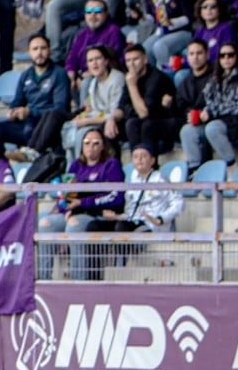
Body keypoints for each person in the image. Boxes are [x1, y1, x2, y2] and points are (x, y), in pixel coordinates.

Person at [38, 128, 123, 281]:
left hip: (98, 214)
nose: (91, 147)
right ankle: (44, 279)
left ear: (103, 146)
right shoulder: (76, 166)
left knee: (74, 225)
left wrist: (83, 203)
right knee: (45, 223)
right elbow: (66, 195)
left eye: (96, 143)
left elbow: (115, 197)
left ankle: (79, 280)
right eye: (87, 143)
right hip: (75, 211)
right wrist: (65, 210)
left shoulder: (111, 165)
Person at [0, 34, 70, 158]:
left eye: (43, 48)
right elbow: (17, 101)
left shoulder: (59, 74)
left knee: (35, 126)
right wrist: (13, 111)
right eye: (35, 49)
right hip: (27, 123)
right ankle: (2, 166)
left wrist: (30, 112)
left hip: (48, 124)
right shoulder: (26, 75)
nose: (39, 52)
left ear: (49, 50)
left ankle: (31, 155)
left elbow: (60, 108)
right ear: (29, 52)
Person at [187, 43, 238, 167]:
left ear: (237, 56)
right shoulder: (215, 79)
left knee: (212, 128)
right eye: (222, 56)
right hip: (220, 123)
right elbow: (209, 101)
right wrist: (204, 113)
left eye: (230, 55)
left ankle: (230, 163)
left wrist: (213, 111)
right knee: (187, 130)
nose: (226, 59)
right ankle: (195, 168)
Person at [106, 44, 179, 158]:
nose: (132, 64)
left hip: (166, 122)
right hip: (143, 121)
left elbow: (144, 113)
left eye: (136, 59)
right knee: (112, 127)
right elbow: (122, 106)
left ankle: (150, 166)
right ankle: (118, 169)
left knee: (143, 125)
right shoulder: (131, 77)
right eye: (128, 60)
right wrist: (112, 119)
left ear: (145, 59)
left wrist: (132, 86)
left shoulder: (157, 78)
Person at [62, 46, 125, 157]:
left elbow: (114, 113)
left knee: (82, 134)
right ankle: (71, 168)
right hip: (97, 120)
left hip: (112, 123)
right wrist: (82, 116)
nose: (94, 63)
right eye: (90, 60)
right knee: (69, 127)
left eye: (98, 59)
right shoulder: (93, 82)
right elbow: (92, 109)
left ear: (106, 61)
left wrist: (86, 121)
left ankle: (80, 168)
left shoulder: (117, 79)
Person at [132, 0, 194, 69]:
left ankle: (166, 78)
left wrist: (171, 22)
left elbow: (190, 17)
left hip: (183, 31)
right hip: (161, 32)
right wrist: (141, 16)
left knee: (160, 46)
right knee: (145, 48)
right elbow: (151, 18)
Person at [63, 0, 126, 85]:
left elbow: (115, 61)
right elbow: (72, 59)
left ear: (106, 13)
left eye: (97, 11)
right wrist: (71, 75)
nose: (93, 15)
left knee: (87, 83)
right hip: (82, 77)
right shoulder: (82, 34)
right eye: (89, 11)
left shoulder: (114, 31)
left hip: (105, 77)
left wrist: (90, 74)